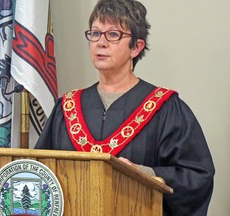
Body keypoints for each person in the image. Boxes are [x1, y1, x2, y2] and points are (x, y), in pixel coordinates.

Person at [35, 0, 215, 215]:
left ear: (136, 47)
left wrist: (145, 174)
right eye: (95, 33)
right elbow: (41, 171)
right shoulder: (67, 108)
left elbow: (196, 177)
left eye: (113, 34)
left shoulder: (164, 108)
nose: (100, 43)